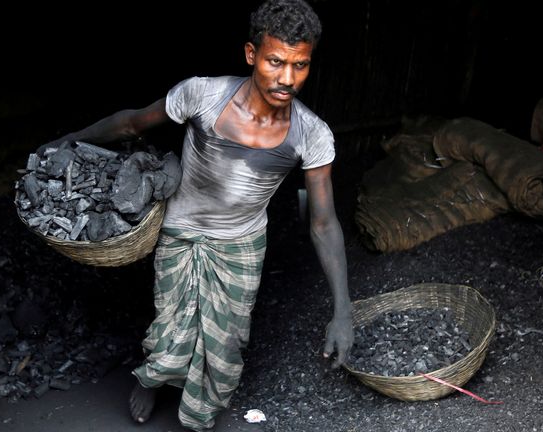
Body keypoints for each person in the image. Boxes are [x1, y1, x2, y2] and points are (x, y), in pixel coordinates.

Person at [39, 0, 353, 429]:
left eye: (300, 65)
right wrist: (70, 140)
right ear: (251, 54)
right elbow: (132, 124)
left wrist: (343, 310)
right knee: (169, 329)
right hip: (181, 232)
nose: (287, 78)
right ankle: (152, 380)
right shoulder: (203, 95)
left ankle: (197, 413)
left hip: (241, 245)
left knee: (225, 346)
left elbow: (323, 223)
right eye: (276, 62)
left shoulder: (311, 135)